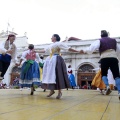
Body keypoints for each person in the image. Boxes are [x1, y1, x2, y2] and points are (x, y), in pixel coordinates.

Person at [36, 34, 80, 99]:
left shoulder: (59, 43)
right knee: (50, 75)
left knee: (58, 75)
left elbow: (68, 48)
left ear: (55, 37)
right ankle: (52, 91)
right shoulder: (50, 45)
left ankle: (59, 92)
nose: (51, 37)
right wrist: (36, 51)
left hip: (56, 59)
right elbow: (45, 51)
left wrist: (77, 51)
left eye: (52, 36)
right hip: (50, 60)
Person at [81, 30, 120, 100]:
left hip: (104, 58)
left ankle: (107, 86)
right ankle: (119, 92)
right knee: (117, 76)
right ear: (107, 35)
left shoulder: (100, 40)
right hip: (113, 58)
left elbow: (91, 49)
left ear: (101, 35)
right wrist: (118, 59)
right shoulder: (114, 41)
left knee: (104, 74)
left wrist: (84, 51)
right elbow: (119, 51)